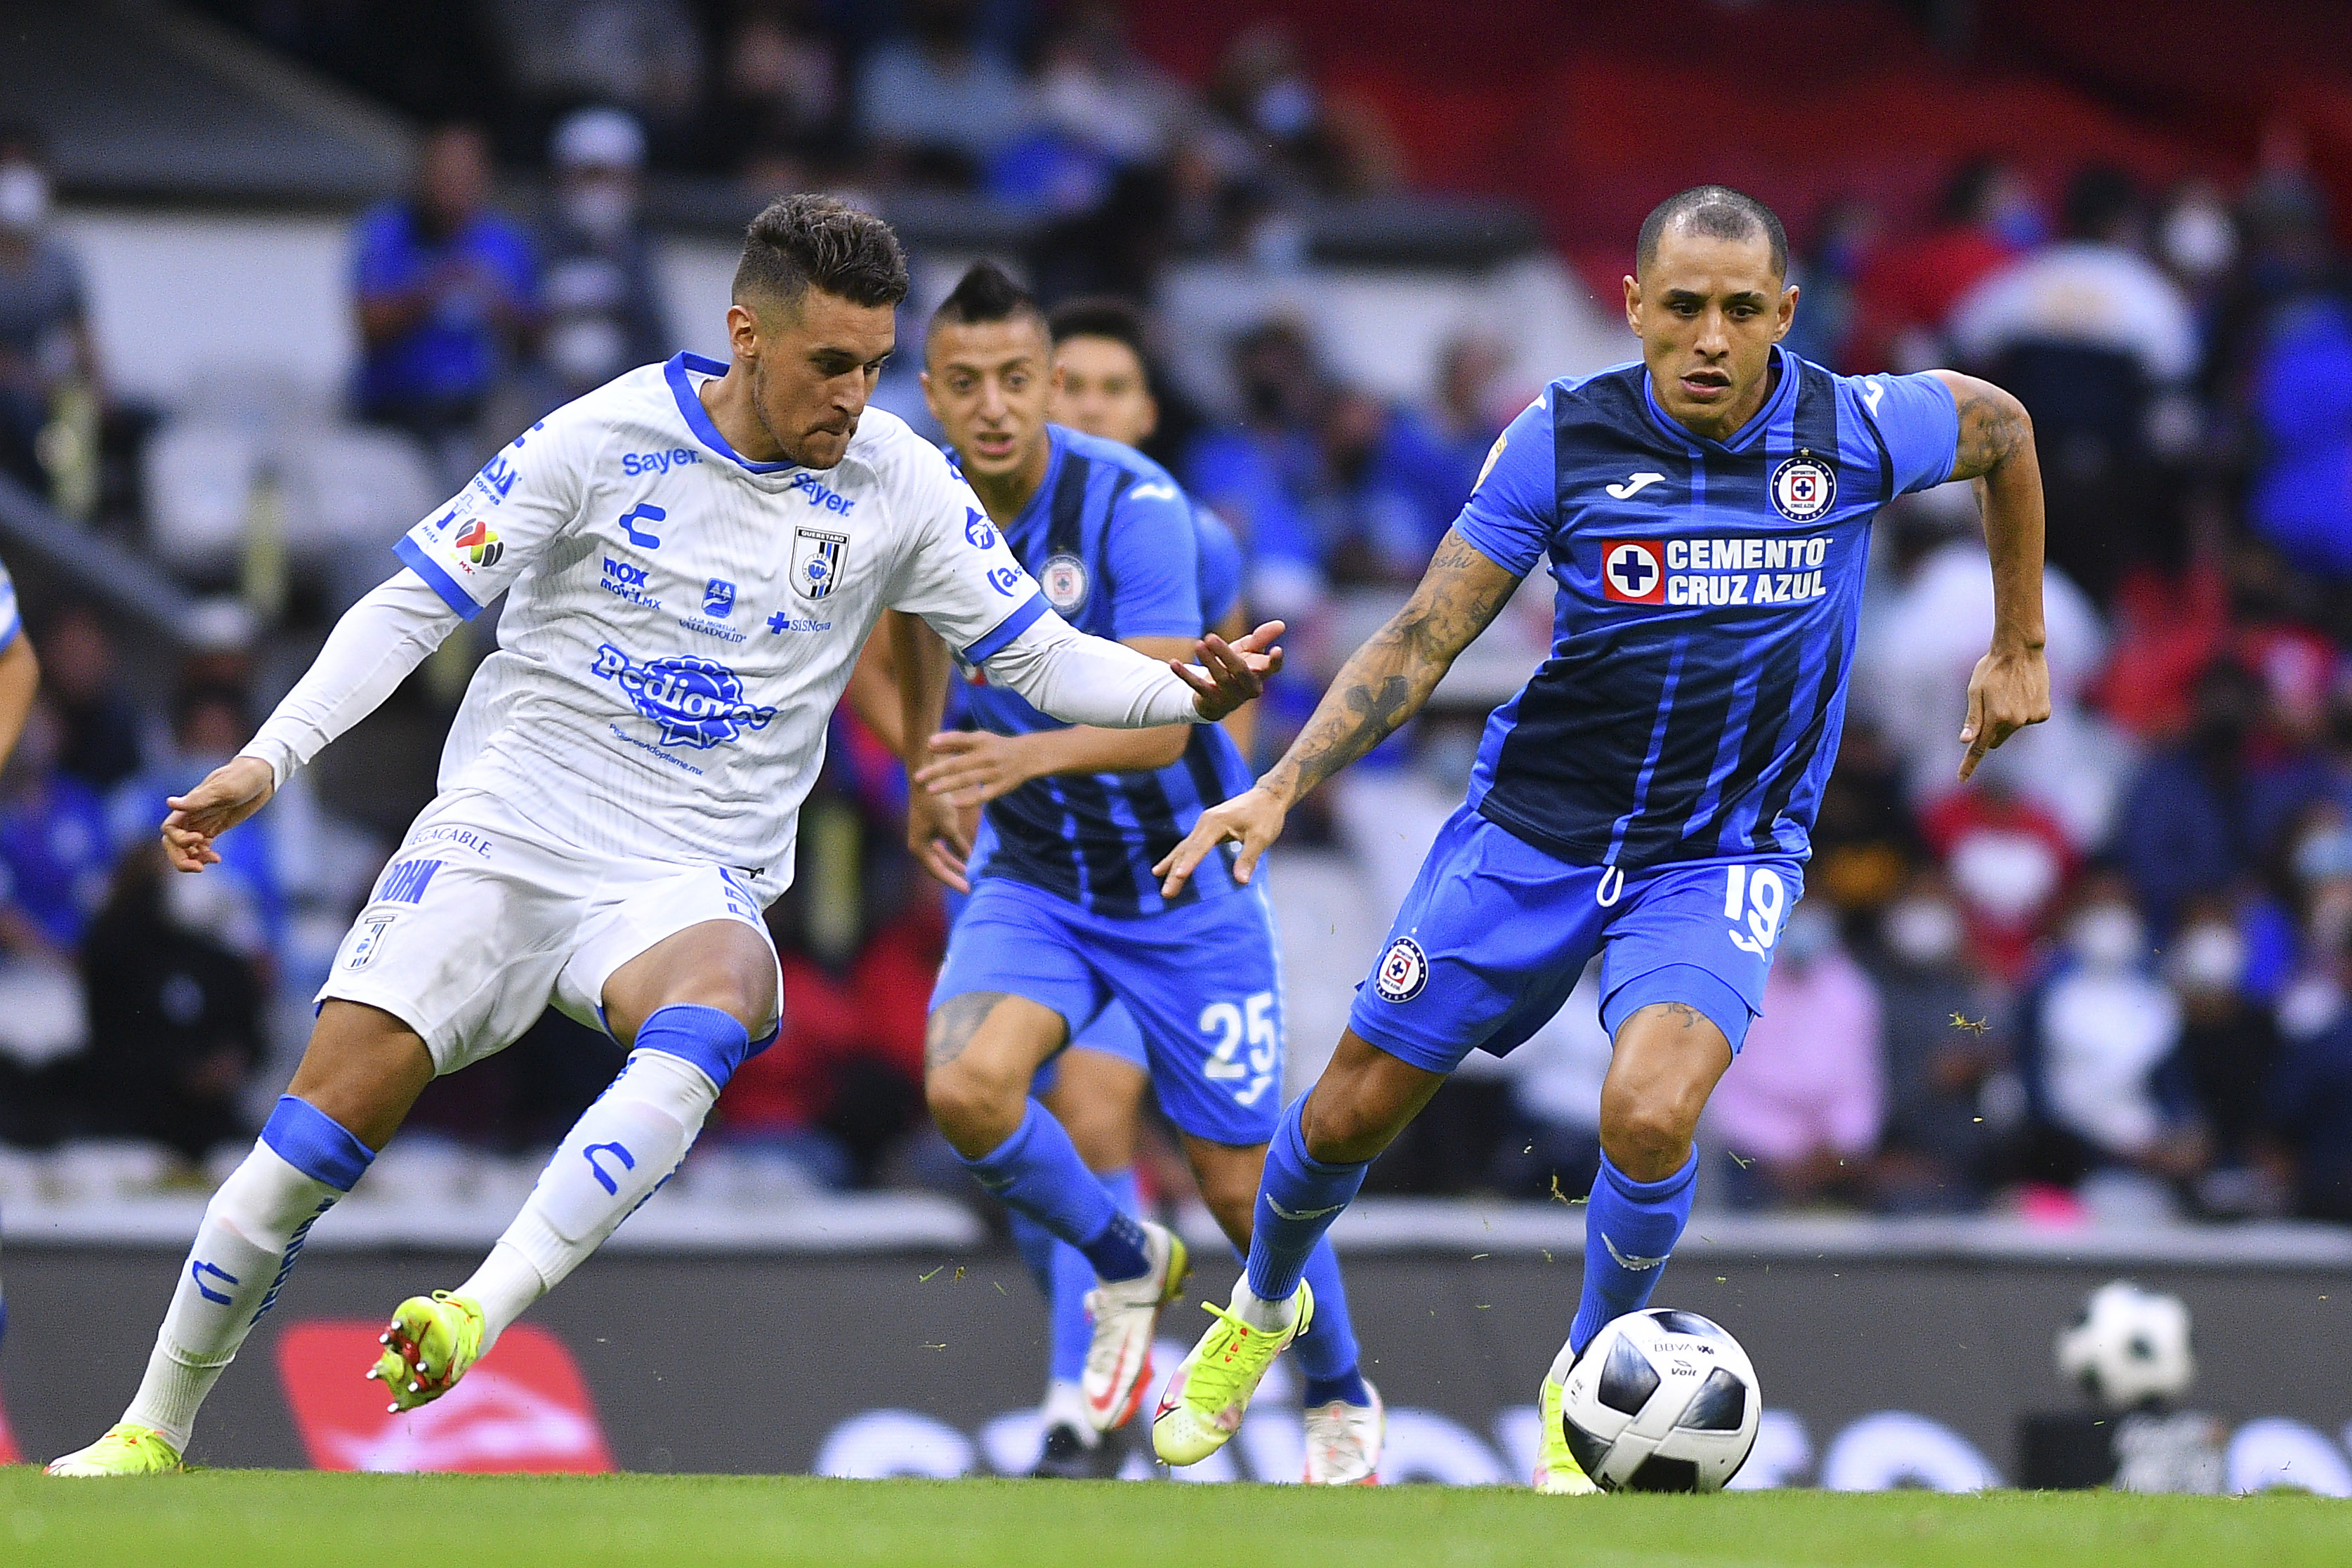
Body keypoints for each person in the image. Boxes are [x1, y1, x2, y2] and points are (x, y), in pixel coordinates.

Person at [44, 195, 1277, 1477]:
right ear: (746, 334)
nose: (856, 395)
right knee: (310, 1144)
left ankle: (478, 1309)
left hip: (688, 871)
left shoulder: (900, 478)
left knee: (729, 993)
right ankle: (151, 1426)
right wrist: (270, 755)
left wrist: (1178, 691)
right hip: (507, 833)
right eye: (828, 365)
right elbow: (416, 601)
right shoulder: (601, 435)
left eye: (871, 363)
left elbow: (1036, 652)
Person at [1144, 185, 2050, 1490]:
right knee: (1345, 1113)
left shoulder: (1850, 427)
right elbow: (1419, 637)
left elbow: (2004, 429)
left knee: (1648, 1109)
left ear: (1783, 317)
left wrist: (2014, 642)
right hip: (1534, 831)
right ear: (1630, 307)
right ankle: (1263, 1303)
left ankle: (1585, 1379)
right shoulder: (1556, 442)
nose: (1706, 337)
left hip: (1723, 848)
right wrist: (1281, 784)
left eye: (1740, 311)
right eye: (1678, 306)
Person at [895, 264, 1381, 1484]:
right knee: (966, 1089)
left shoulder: (1142, 507)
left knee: (1234, 1177)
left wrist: (1012, 753)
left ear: (1047, 381)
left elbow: (1172, 714)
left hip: (1176, 887)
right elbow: (903, 624)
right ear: (932, 391)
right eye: (970, 383)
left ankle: (1335, 1382)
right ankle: (1121, 1256)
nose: (998, 405)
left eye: (1022, 379)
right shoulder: (915, 495)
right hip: (1040, 881)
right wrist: (922, 769)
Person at [350, 123, 538, 479]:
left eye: (464, 176)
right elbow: (369, 327)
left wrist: (496, 304)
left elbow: (535, 337)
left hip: (479, 409)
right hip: (397, 408)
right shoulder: (389, 231)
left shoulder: (504, 240)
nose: (452, 187)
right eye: (443, 175)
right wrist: (432, 288)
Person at [534, 108, 674, 404]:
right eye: (590, 177)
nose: (600, 192)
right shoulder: (533, 244)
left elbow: (656, 343)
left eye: (612, 179)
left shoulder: (641, 254)